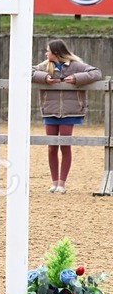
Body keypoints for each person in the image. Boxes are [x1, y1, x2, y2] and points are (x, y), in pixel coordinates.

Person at [32, 40, 102, 193]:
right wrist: (44, 78)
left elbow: (96, 72)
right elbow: (28, 72)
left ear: (56, 53)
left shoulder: (76, 65)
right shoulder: (45, 66)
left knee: (65, 146)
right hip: (50, 110)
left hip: (70, 112)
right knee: (51, 147)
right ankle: (54, 182)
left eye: (48, 51)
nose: (46, 53)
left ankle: (62, 184)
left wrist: (77, 78)